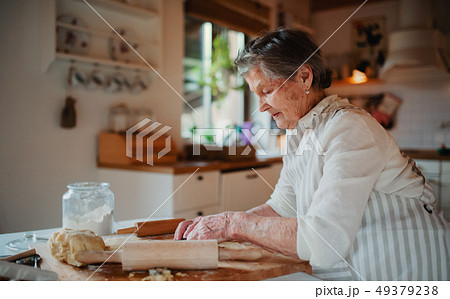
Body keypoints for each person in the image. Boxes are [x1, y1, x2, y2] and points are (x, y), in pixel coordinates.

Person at [174, 28, 449, 281]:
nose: (262, 107)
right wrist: (219, 226)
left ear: (304, 77)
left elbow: (324, 240)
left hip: (406, 274)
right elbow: (281, 207)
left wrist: (232, 224)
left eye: (267, 91)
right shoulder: (299, 134)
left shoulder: (349, 127)